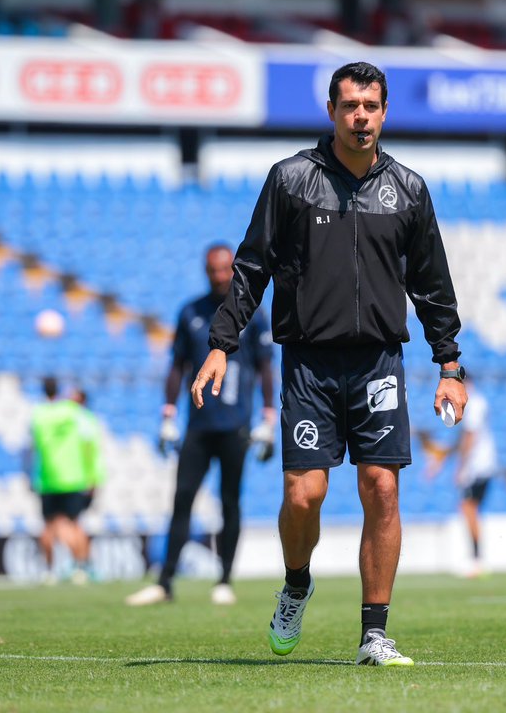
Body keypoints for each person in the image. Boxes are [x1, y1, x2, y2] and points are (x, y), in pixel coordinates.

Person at [191, 62, 467, 667]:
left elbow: (432, 283)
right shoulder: (291, 180)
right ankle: (296, 584)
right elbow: (251, 267)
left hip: (379, 365)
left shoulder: (410, 190)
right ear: (332, 111)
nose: (360, 116)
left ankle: (375, 633)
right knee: (303, 495)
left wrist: (449, 363)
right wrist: (221, 343)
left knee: (382, 488)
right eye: (349, 105)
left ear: (385, 112)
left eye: (370, 105)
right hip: (309, 364)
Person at [127, 244, 276, 607]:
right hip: (198, 424)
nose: (220, 276)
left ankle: (224, 579)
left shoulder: (252, 315)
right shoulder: (191, 312)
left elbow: (266, 368)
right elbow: (177, 366)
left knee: (229, 503)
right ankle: (165, 581)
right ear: (205, 271)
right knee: (182, 500)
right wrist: (167, 414)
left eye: (226, 269)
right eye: (214, 270)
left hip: (235, 424)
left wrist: (269, 415)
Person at [30, 377, 104, 585]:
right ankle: (80, 568)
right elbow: (89, 442)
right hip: (72, 477)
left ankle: (49, 571)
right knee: (72, 525)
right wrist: (93, 476)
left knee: (48, 527)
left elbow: (33, 445)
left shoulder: (38, 414)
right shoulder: (73, 412)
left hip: (47, 477)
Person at [427, 382, 497, 578]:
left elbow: (469, 436)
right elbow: (462, 438)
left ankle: (477, 559)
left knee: (468, 508)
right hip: (483, 463)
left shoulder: (473, 403)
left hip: (477, 466)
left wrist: (462, 467)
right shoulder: (478, 401)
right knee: (469, 508)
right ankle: (476, 558)